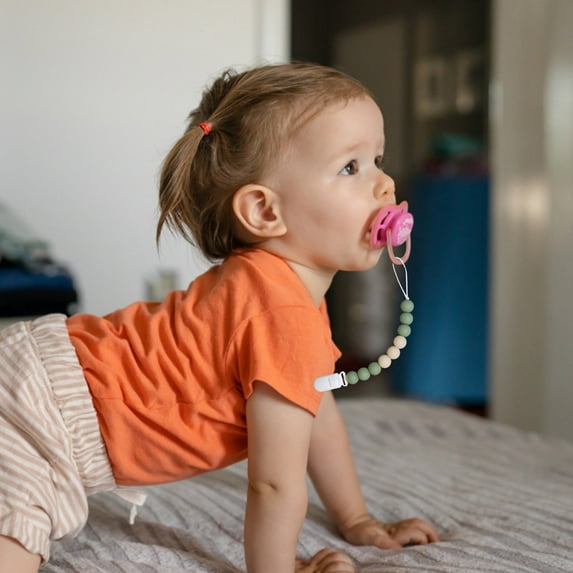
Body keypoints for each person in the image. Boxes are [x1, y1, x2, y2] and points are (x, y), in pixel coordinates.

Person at [0, 62, 438, 573]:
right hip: (42, 420)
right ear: (265, 212)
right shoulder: (282, 313)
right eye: (350, 167)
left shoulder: (275, 291)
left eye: (377, 160)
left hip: (40, 371)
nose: (385, 184)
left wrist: (357, 519)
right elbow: (273, 483)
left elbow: (317, 412)